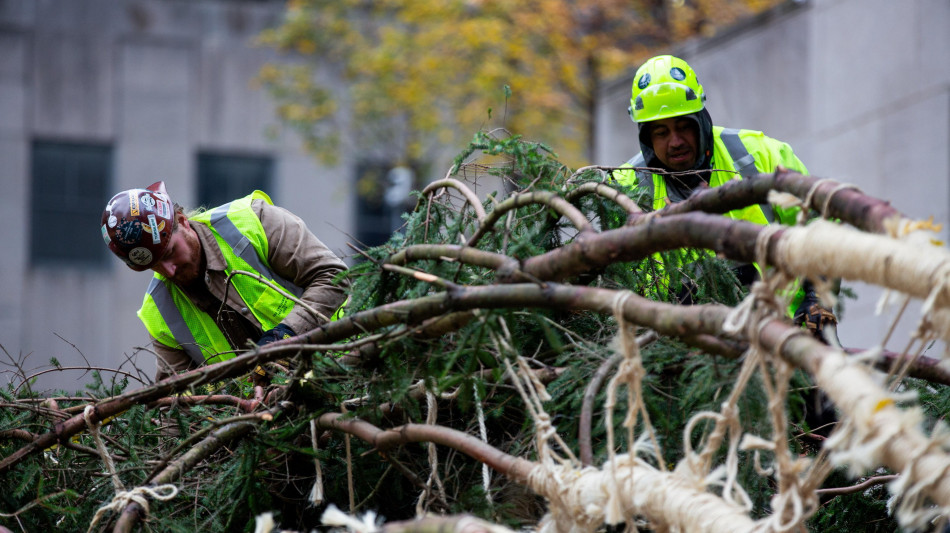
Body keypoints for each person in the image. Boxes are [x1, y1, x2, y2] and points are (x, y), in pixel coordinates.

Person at [613, 54, 837, 341]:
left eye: (683, 126)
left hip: (787, 335)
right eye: (661, 132)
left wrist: (817, 298)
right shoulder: (625, 187)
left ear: (701, 121)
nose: (676, 141)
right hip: (682, 356)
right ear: (646, 138)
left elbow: (821, 230)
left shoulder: (761, 155)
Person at [101, 181, 349, 381]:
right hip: (266, 425)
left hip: (350, 366)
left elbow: (333, 276)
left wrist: (287, 335)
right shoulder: (159, 312)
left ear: (183, 221)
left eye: (169, 253)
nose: (169, 270)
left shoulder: (254, 222)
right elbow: (178, 400)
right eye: (154, 266)